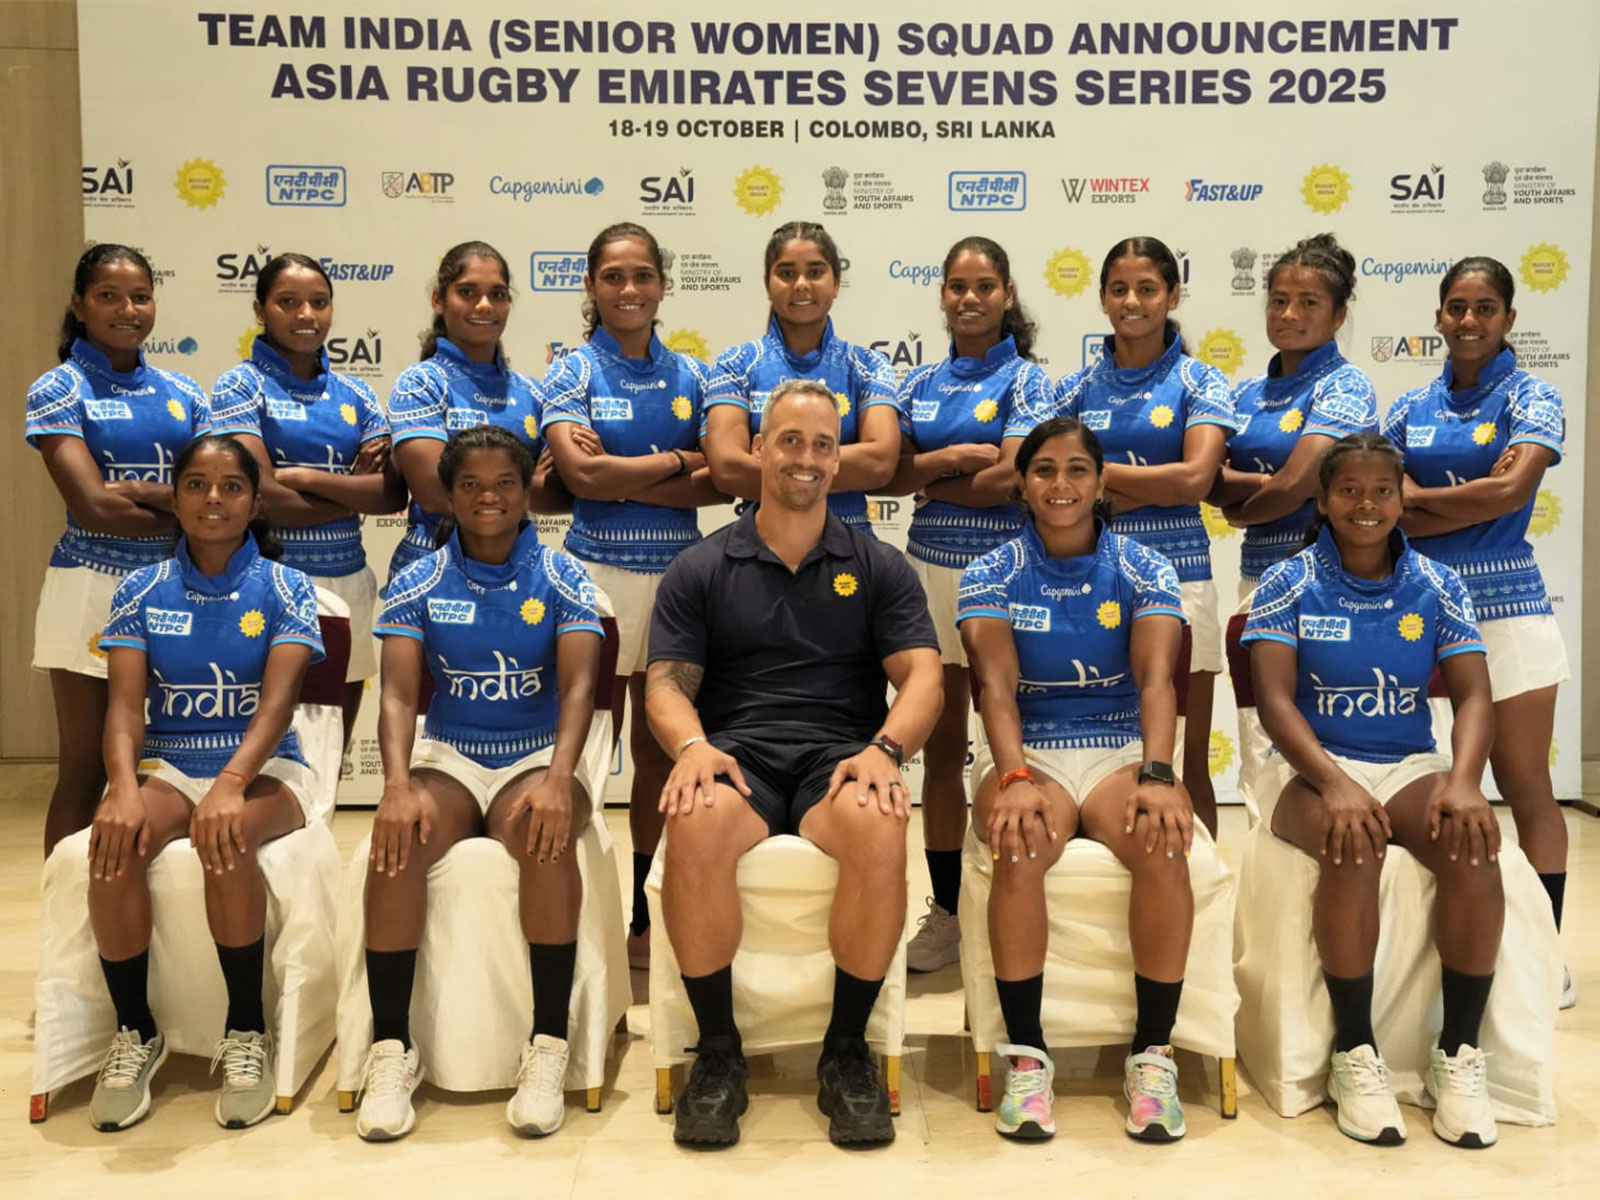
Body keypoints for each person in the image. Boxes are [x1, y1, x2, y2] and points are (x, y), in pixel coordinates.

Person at [645, 379, 943, 1148]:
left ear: (837, 462)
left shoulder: (878, 566)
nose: (805, 458)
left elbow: (924, 679)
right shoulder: (702, 565)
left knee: (879, 824)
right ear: (758, 451)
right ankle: (718, 1056)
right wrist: (692, 747)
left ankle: (845, 1054)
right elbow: (665, 685)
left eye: (821, 444)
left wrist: (885, 750)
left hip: (838, 757)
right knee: (698, 818)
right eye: (789, 441)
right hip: (735, 752)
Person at [1243, 433, 1503, 1148]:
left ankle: (1457, 1055)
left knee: (1475, 842)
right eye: (1349, 490)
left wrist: (1464, 783)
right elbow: (1273, 700)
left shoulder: (1439, 583)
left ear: (1401, 498)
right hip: (1305, 764)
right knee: (1351, 839)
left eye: (1381, 490)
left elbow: (1476, 695)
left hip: (1406, 761)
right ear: (1323, 501)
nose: (1366, 503)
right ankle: (1355, 1054)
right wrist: (1333, 783)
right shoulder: (1288, 581)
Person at [356, 427, 604, 1142]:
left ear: (527, 490)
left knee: (544, 839)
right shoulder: (417, 581)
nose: (487, 497)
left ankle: (548, 1047)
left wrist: (562, 777)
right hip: (455, 754)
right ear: (449, 494)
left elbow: (581, 686)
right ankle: (391, 1051)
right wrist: (398, 784)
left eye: (503, 484)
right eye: (470, 485)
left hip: (538, 752)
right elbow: (399, 697)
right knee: (395, 842)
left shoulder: (565, 575)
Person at [958, 416, 1196, 1143]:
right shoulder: (991, 570)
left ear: (1100, 483)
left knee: (1161, 838)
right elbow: (995, 689)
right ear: (1022, 484)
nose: (1060, 485)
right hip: (1031, 748)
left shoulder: (1144, 566)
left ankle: (1152, 1057)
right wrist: (1015, 775)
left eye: (1076, 471)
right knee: (1020, 836)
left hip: (1119, 748)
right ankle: (1028, 1063)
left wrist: (1159, 773)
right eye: (1044, 471)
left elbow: (1158, 680)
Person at [87, 433, 324, 1132]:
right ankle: (136, 1031)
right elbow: (125, 709)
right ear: (175, 495)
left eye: (230, 487)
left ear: (255, 502)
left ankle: (246, 1029)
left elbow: (278, 706)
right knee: (113, 846)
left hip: (266, 765)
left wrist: (231, 782)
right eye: (195, 485)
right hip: (172, 761)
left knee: (227, 836)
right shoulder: (140, 589)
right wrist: (124, 789)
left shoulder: (286, 587)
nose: (212, 499)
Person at [1384, 257, 1572, 1006]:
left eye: (1484, 307)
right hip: (1424, 616)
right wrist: (1468, 498)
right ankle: (1450, 952)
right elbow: (1378, 495)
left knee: (1524, 784)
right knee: (1430, 784)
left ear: (1508, 320)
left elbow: (1512, 490)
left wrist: (1424, 500)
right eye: (1456, 307)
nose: (1468, 320)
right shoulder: (1409, 408)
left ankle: (1547, 956)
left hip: (1512, 612)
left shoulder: (1534, 394)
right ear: (1438, 317)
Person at [541, 222, 724, 969]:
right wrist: (677, 463)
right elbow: (581, 482)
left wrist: (632, 467)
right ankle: (576, 907)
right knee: (578, 749)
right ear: (590, 287)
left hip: (678, 583)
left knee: (658, 754)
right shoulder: (570, 372)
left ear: (662, 286)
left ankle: (647, 915)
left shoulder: (696, 375)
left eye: (642, 275)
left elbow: (722, 478)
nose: (628, 290)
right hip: (593, 580)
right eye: (613, 277)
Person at [881, 236, 1051, 972]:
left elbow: (1011, 478)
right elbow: (888, 477)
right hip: (928, 573)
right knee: (943, 750)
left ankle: (1014, 897)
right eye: (957, 286)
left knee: (1019, 745)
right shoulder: (916, 383)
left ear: (1008, 294)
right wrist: (951, 463)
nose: (970, 298)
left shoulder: (1031, 382)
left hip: (1011, 579)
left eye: (985, 286)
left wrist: (929, 476)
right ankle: (948, 911)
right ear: (942, 295)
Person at [27, 244, 211, 855]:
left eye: (140, 295)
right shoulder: (59, 388)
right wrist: (188, 515)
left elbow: (220, 494)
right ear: (79, 305)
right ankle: (67, 934)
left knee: (157, 767)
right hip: (90, 589)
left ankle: (127, 923)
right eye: (108, 295)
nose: (127, 309)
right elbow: (94, 507)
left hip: (176, 592)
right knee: (86, 767)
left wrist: (147, 492)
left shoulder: (184, 391)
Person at [1053, 238, 1237, 836]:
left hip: (1183, 583)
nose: (1132, 302)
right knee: (1117, 758)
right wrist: (1130, 484)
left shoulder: (1200, 379)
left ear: (1173, 295)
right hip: (1094, 587)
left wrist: (1097, 479)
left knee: (1185, 764)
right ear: (1103, 298)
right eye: (1119, 289)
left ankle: (1199, 904)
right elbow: (1056, 482)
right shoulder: (1076, 390)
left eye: (1148, 289)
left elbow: (1193, 479)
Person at [206, 253, 406, 749]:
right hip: (265, 584)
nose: (306, 315)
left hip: (349, 584)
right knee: (261, 749)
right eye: (288, 302)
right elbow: (262, 496)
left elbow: (390, 493)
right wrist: (346, 491)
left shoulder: (357, 393)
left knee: (331, 750)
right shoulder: (239, 386)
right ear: (259, 309)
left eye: (319, 302)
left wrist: (304, 477)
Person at [386, 241, 568, 580]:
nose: (484, 306)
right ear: (439, 300)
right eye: (468, 292)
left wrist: (473, 482)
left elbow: (560, 495)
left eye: (497, 295)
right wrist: (527, 478)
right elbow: (434, 493)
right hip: (431, 569)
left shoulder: (531, 392)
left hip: (519, 572)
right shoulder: (422, 383)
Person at [703, 220, 900, 532]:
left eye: (815, 271)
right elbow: (727, 468)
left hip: (850, 546)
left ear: (836, 283)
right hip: (760, 546)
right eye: (787, 273)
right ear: (768, 284)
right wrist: (831, 468)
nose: (801, 284)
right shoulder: (737, 364)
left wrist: (780, 467)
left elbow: (881, 462)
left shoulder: (868, 365)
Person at [1212, 234, 1379, 596]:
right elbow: (1208, 481)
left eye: (1308, 303)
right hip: (1254, 578)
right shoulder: (1244, 394)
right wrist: (1263, 484)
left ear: (1338, 316)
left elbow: (1294, 485)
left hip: (1328, 581)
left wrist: (1238, 513)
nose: (1288, 314)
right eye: (1279, 301)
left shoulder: (1346, 385)